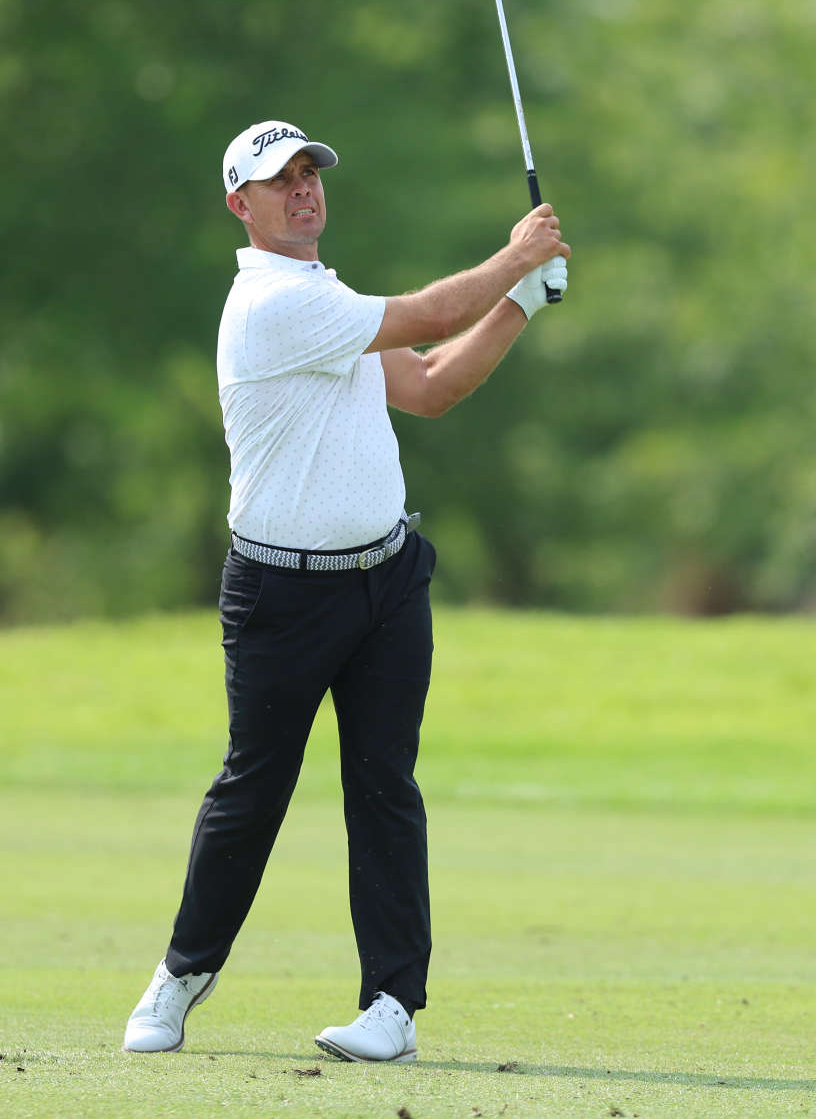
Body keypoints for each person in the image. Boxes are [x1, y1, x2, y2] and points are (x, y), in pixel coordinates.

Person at [121, 120, 570, 1063]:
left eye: (310, 175)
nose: (303, 190)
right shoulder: (268, 306)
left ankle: (391, 1008)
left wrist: (522, 300)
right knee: (254, 791)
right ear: (240, 204)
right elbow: (424, 318)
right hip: (281, 597)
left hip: (387, 582)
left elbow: (434, 385)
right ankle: (182, 974)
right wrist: (515, 256)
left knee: (384, 789)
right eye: (279, 181)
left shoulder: (327, 296)